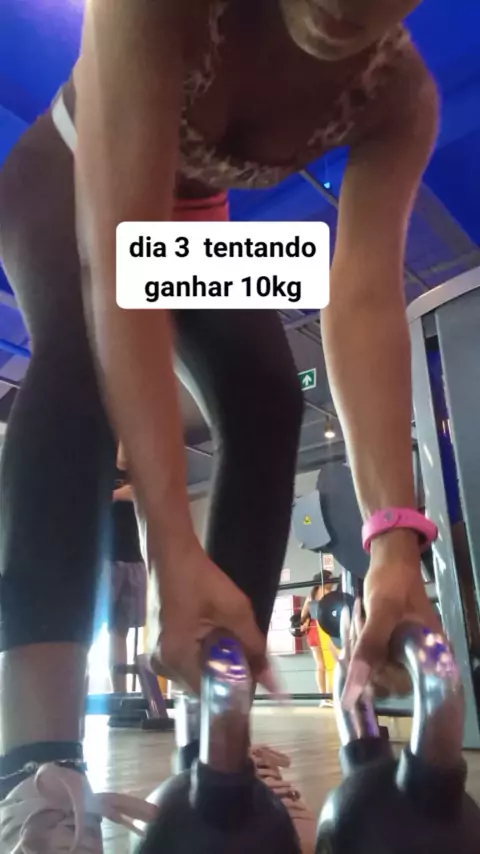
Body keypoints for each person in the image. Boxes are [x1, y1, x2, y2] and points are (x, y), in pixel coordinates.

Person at [0, 0, 442, 849]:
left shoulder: (401, 97)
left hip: (196, 226)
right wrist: (170, 543)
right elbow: (118, 263)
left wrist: (394, 547)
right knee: (82, 352)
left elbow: (362, 298)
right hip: (67, 169)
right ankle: (36, 766)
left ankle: (218, 744)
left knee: (268, 392)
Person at [108, 447, 148, 694]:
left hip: (134, 556)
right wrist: (117, 495)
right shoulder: (101, 466)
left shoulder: (139, 470)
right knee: (91, 629)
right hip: (106, 558)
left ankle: (120, 694)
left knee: (120, 628)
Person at [301, 571, 336, 705]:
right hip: (324, 630)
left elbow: (303, 616)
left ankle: (323, 697)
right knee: (330, 665)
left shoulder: (310, 596)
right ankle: (330, 696)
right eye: (331, 580)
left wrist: (307, 621)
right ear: (324, 580)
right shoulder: (329, 595)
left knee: (320, 666)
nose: (333, 583)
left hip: (312, 632)